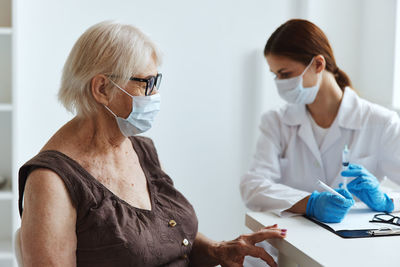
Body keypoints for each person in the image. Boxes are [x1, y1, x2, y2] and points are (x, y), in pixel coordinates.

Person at [18, 21, 286, 267]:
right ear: (101, 89)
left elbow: (165, 238)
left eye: (156, 82)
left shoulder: (140, 149)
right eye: (147, 83)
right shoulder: (50, 181)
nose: (155, 95)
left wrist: (218, 250)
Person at [240, 19, 400, 265]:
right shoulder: (276, 121)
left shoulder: (381, 122)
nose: (279, 83)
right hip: (283, 250)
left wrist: (386, 200)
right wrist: (309, 203)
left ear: (317, 64)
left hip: (352, 252)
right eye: (275, 75)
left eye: (285, 74)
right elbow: (252, 186)